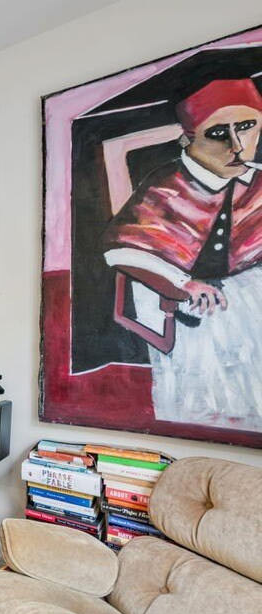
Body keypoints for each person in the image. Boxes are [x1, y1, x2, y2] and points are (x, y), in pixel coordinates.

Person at [103, 78, 262, 430]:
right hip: (185, 307)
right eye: (218, 133)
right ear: (187, 139)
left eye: (247, 126)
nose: (237, 146)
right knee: (200, 393)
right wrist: (182, 283)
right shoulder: (166, 186)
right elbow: (124, 250)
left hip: (248, 299)